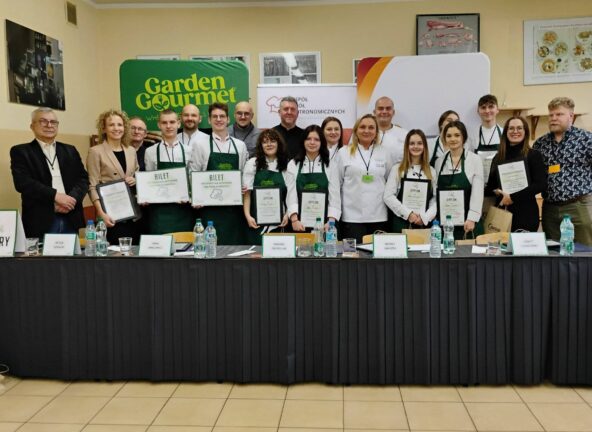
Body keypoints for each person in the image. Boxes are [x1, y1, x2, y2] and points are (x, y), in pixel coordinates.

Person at [10, 108, 89, 238]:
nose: (49, 125)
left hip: (71, 215)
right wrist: (56, 197)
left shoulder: (70, 150)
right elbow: (23, 183)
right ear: (32, 126)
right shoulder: (21, 151)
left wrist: (71, 200)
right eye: (43, 121)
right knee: (43, 258)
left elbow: (83, 179)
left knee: (72, 257)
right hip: (40, 219)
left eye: (53, 122)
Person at [533, 97, 592, 245]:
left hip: (579, 206)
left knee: (586, 252)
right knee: (553, 254)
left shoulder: (586, 139)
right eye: (551, 115)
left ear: (571, 116)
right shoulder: (540, 144)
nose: (553, 118)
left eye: (559, 114)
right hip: (550, 209)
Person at [189, 102, 249, 245]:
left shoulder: (240, 145)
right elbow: (193, 173)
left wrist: (243, 186)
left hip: (233, 210)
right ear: (209, 120)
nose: (218, 119)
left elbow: (242, 174)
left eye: (222, 116)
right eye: (214, 116)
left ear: (228, 119)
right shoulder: (200, 144)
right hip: (209, 210)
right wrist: (196, 197)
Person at [328, 114, 394, 242]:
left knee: (378, 257)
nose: (366, 130)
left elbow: (389, 181)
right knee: (352, 256)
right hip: (351, 217)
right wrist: (333, 215)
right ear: (356, 130)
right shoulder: (344, 152)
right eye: (362, 127)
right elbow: (336, 185)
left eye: (371, 127)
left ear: (376, 132)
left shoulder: (384, 152)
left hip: (379, 216)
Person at [87, 109, 140, 244]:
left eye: (120, 125)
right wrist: (101, 214)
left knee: (135, 256)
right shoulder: (95, 151)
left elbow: (138, 175)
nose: (116, 128)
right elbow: (92, 185)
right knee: (116, 258)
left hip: (133, 214)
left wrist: (135, 179)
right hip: (111, 216)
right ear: (104, 128)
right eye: (111, 125)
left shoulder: (131, 150)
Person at [485, 116, 547, 232]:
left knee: (523, 249)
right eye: (511, 128)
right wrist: (496, 191)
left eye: (519, 128)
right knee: (500, 248)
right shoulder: (498, 158)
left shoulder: (533, 155)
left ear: (525, 132)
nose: (515, 131)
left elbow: (540, 184)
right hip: (502, 213)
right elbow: (490, 187)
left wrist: (512, 197)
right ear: (506, 132)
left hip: (526, 214)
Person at [143, 109, 194, 234]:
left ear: (178, 123)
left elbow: (193, 180)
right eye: (164, 123)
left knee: (184, 250)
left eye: (172, 122)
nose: (168, 126)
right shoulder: (150, 151)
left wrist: (191, 196)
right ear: (159, 125)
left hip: (183, 210)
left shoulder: (189, 150)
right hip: (160, 212)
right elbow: (149, 181)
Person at [435, 120, 484, 240]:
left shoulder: (474, 160)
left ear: (464, 137)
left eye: (457, 135)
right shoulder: (439, 162)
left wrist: (472, 218)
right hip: (445, 224)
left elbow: (478, 192)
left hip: (468, 223)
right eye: (449, 136)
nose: (453, 139)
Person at [384, 129, 437, 232]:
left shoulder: (431, 171)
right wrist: (408, 214)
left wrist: (425, 217)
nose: (416, 146)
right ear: (406, 146)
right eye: (412, 143)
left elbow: (435, 199)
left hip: (424, 224)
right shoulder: (397, 169)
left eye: (419, 143)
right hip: (401, 222)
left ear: (424, 146)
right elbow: (388, 196)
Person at [242, 129, 290, 244]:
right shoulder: (252, 163)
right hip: (255, 221)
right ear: (260, 145)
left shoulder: (287, 164)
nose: (269, 144)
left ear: (278, 144)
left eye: (272, 141)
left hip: (279, 222)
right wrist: (248, 216)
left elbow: (290, 194)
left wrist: (287, 214)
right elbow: (247, 194)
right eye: (265, 142)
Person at [286, 124, 334, 232]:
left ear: (322, 142)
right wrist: (294, 220)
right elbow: (291, 194)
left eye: (316, 139)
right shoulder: (293, 164)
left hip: (325, 225)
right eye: (308, 139)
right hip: (299, 224)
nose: (312, 142)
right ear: (303, 141)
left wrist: (330, 222)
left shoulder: (330, 164)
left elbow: (334, 196)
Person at [474, 94, 503, 182]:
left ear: (497, 110)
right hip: (478, 181)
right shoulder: (472, 135)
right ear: (478, 111)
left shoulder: (504, 133)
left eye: (491, 107)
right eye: (483, 107)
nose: (487, 111)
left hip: (499, 182)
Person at [373, 96, 408, 165]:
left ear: (393, 112)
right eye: (380, 108)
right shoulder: (365, 134)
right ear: (374, 112)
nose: (384, 111)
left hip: (397, 175)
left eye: (388, 108)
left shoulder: (404, 134)